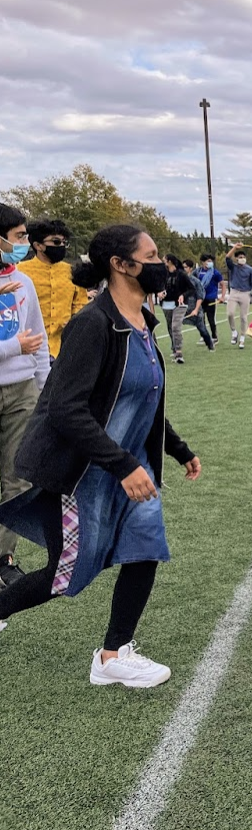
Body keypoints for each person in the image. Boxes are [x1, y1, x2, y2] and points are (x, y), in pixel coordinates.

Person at [0, 224, 201, 686]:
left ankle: (112, 656)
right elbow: (65, 409)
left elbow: (144, 398)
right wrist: (122, 464)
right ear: (121, 264)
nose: (159, 264)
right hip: (85, 472)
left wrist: (177, 450)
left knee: (145, 549)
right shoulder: (92, 325)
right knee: (65, 571)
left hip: (133, 469)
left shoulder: (144, 323)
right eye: (150, 256)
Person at [0, 203, 50, 589]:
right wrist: (12, 346)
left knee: (18, 478)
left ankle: (4, 557)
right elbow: (21, 341)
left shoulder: (25, 283)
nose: (23, 246)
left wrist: (43, 385)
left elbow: (38, 339)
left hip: (21, 391)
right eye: (18, 238)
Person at [18, 219, 90, 360]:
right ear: (38, 245)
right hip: (29, 349)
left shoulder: (72, 272)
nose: (61, 246)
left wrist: (74, 321)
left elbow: (81, 303)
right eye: (56, 242)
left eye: (64, 242)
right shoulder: (20, 272)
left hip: (64, 348)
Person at [161, 255, 200, 364]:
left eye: (164, 260)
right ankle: (174, 348)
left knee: (175, 327)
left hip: (180, 304)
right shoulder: (164, 274)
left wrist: (183, 295)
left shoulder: (181, 275)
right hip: (166, 304)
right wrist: (160, 293)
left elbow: (191, 289)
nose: (163, 262)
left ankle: (179, 353)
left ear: (169, 262)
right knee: (170, 327)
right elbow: (160, 287)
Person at [224, 242, 252, 349]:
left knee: (243, 317)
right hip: (234, 292)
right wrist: (235, 247)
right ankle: (234, 332)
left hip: (245, 294)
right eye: (240, 257)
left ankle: (242, 338)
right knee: (230, 313)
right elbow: (227, 257)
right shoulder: (233, 267)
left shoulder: (250, 270)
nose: (242, 258)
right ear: (236, 258)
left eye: (244, 257)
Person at [180, 259, 215, 352]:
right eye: (182, 267)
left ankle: (210, 344)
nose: (183, 269)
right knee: (175, 327)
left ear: (190, 269)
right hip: (182, 308)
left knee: (202, 328)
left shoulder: (195, 281)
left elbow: (200, 296)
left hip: (194, 308)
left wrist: (196, 309)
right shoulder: (179, 280)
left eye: (185, 267)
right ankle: (176, 350)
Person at [196, 254, 224, 342]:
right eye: (208, 261)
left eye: (211, 261)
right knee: (200, 318)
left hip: (211, 298)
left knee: (211, 318)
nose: (210, 263)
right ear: (203, 262)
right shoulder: (197, 272)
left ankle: (214, 336)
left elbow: (223, 284)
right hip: (200, 298)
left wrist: (222, 297)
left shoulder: (215, 272)